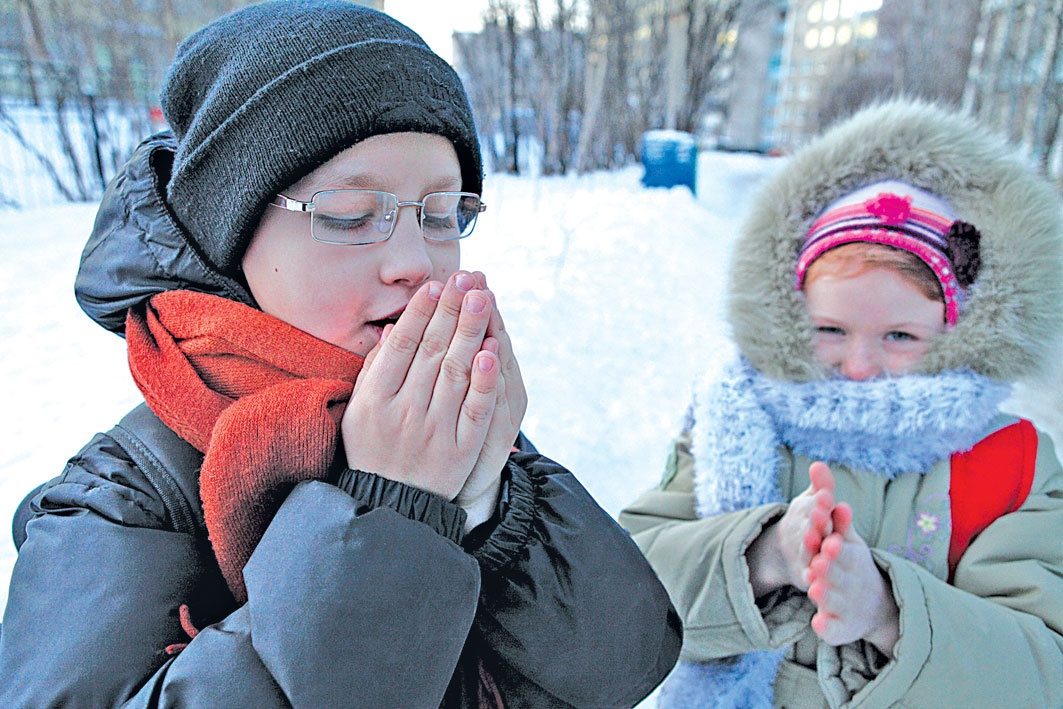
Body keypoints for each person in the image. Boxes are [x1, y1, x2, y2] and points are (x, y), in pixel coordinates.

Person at [0, 2, 681, 706]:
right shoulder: (124, 495)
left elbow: (624, 664)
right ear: (229, 236)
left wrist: (491, 505)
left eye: (443, 214)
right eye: (351, 215)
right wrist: (391, 519)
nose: (416, 261)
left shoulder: (438, 423)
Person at [620, 99, 1063, 707]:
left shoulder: (1009, 464)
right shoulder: (740, 417)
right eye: (831, 330)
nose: (859, 366)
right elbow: (627, 593)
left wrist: (887, 610)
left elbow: (1042, 673)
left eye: (901, 337)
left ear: (957, 332)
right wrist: (764, 554)